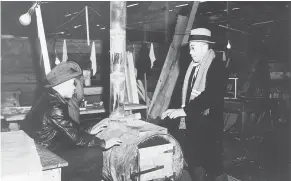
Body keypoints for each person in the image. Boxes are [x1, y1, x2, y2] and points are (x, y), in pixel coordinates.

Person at [20, 61, 122, 181]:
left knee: (85, 151)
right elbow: (76, 138)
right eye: (72, 84)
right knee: (94, 154)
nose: (75, 88)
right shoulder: (54, 106)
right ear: (62, 84)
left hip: (45, 149)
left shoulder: (48, 97)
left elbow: (69, 126)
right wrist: (104, 143)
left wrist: (90, 130)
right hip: (47, 156)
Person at [162, 28, 228, 181]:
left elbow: (211, 96)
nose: (190, 52)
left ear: (204, 46)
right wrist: (175, 109)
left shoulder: (217, 66)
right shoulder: (192, 67)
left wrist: (184, 110)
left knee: (214, 166)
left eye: (193, 48)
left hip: (209, 127)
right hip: (193, 126)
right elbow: (184, 94)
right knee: (194, 162)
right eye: (190, 48)